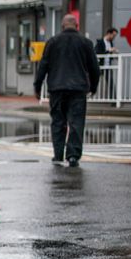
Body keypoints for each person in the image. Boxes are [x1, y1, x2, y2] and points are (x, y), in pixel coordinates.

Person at [33, 15, 100, 167]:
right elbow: (94, 69)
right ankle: (73, 156)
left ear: (62, 26)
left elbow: (43, 66)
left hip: (56, 89)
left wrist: (37, 86)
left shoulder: (53, 42)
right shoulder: (85, 43)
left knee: (58, 122)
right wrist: (93, 87)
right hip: (78, 89)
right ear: (77, 26)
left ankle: (58, 154)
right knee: (76, 122)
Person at [94, 27, 118, 99]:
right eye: (113, 35)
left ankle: (113, 100)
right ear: (108, 34)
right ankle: (88, 96)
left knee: (111, 83)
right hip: (100, 66)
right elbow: (98, 52)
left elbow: (108, 54)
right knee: (94, 81)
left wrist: (114, 56)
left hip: (107, 66)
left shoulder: (111, 43)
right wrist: (109, 50)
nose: (114, 37)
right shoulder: (100, 42)